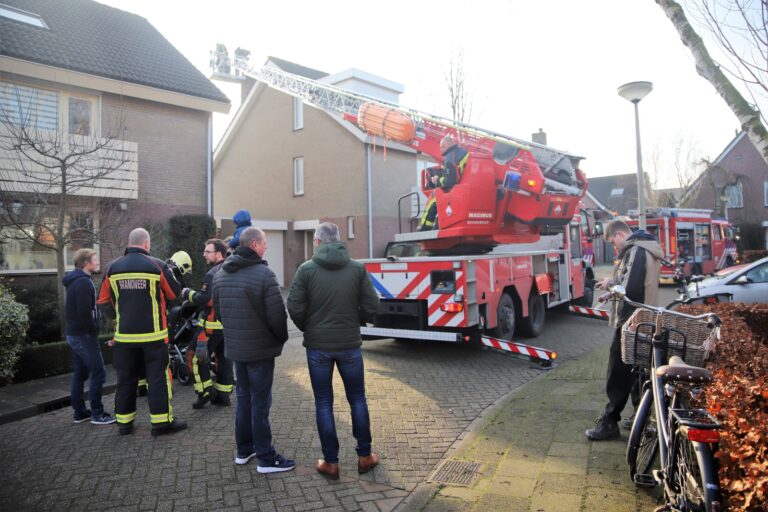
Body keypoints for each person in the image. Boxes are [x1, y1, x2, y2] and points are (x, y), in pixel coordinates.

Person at [287, 222, 380, 480]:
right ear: (339, 241)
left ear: (317, 242)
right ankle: (365, 456)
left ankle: (330, 463)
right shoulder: (357, 269)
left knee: (324, 402)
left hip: (318, 348)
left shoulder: (306, 270)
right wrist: (356, 320)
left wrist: (310, 327)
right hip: (350, 345)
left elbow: (293, 306)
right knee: (358, 399)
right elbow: (373, 305)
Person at [212, 227, 295, 473]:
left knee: (243, 399)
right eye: (265, 242)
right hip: (260, 351)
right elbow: (277, 317)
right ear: (255, 245)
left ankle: (244, 449)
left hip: (237, 348)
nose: (267, 246)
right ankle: (266, 458)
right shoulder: (264, 274)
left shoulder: (220, 274)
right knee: (260, 403)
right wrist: (279, 339)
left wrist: (235, 334)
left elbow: (219, 310)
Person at [97, 228, 186, 436]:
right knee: (157, 379)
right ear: (147, 244)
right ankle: (161, 423)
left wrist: (118, 317)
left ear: (129, 243)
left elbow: (102, 301)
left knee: (126, 379)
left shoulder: (112, 268)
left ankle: (124, 424)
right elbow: (174, 293)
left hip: (124, 339)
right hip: (154, 337)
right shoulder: (157, 265)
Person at [585, 220, 662, 441]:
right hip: (643, 318)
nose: (614, 247)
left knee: (617, 372)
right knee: (637, 371)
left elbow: (630, 289)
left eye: (613, 242)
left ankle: (610, 422)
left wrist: (611, 285)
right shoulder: (646, 247)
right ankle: (642, 418)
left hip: (631, 321)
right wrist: (611, 286)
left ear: (620, 234)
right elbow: (631, 282)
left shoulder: (636, 250)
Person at [64, 248, 115, 425]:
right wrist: (93, 329)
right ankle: (97, 414)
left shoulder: (76, 281)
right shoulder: (83, 283)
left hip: (75, 334)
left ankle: (79, 412)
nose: (97, 262)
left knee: (80, 372)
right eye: (94, 259)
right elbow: (85, 312)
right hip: (83, 336)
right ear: (86, 262)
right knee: (99, 372)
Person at [181, 238, 233, 409]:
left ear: (218, 253)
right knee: (223, 360)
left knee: (195, 357)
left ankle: (205, 392)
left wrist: (188, 293)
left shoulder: (212, 273)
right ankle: (223, 396)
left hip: (209, 327)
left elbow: (206, 299)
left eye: (207, 252)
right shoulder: (232, 269)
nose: (204, 255)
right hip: (227, 326)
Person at [419, 135, 469, 231]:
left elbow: (450, 181)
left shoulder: (450, 158)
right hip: (462, 187)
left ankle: (425, 228)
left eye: (443, 146)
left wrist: (437, 180)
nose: (441, 149)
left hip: (455, 190)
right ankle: (438, 225)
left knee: (433, 197)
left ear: (450, 144)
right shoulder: (462, 152)